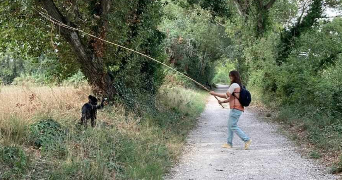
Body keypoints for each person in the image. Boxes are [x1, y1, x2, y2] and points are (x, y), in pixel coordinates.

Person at [210, 70, 252, 150]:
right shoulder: (239, 85)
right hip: (237, 109)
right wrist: (222, 101)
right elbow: (231, 98)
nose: (230, 78)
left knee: (233, 125)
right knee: (230, 125)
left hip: (236, 109)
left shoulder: (234, 85)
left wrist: (214, 93)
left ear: (233, 76)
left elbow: (226, 95)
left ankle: (247, 140)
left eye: (230, 76)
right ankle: (229, 143)